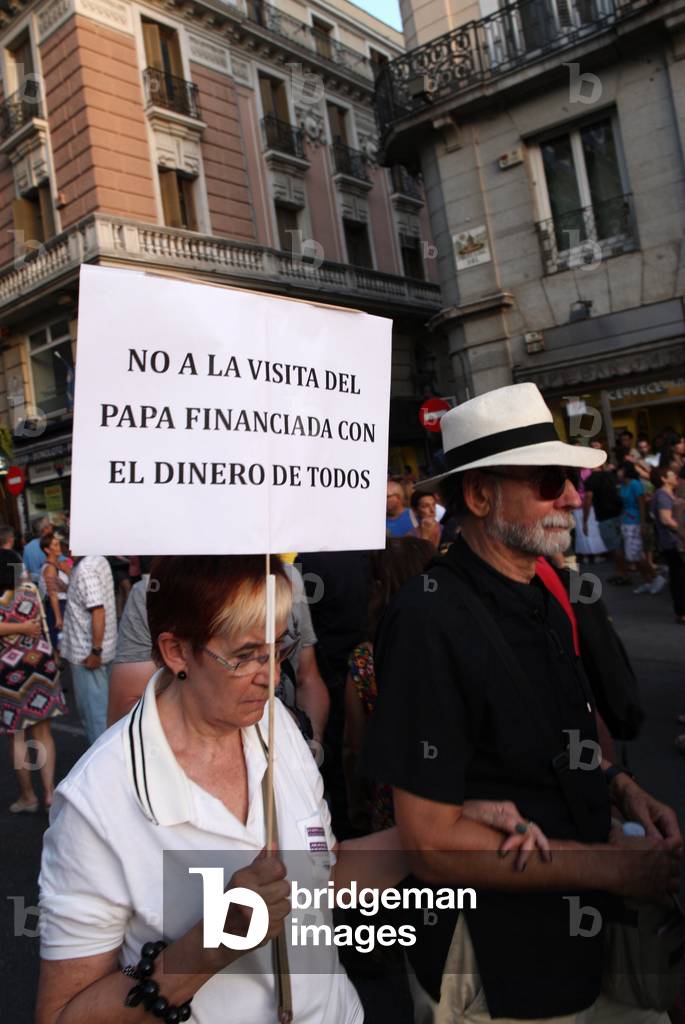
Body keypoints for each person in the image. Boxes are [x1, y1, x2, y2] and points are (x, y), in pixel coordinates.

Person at [364, 382, 682, 1024]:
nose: (572, 496)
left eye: (570, 477)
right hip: (504, 964)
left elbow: (553, 734)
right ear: (479, 496)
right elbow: (429, 842)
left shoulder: (540, 585)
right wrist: (616, 870)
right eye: (547, 480)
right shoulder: (428, 617)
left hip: (589, 941)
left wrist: (622, 788)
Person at [36, 555, 411, 1024]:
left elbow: (322, 875)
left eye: (279, 649)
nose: (271, 676)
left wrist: (432, 838)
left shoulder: (279, 728)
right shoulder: (97, 802)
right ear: (175, 652)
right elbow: (62, 1016)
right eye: (245, 655)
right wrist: (212, 943)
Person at [0, 597, 66, 813]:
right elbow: (39, 622)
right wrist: (26, 628)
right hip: (39, 661)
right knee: (43, 733)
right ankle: (49, 793)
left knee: (18, 736)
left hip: (8, 668)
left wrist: (20, 628)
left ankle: (29, 797)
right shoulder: (27, 587)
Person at [60, 555, 117, 743]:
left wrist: (95, 651)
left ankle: (103, 766)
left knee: (95, 717)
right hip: (101, 649)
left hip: (87, 654)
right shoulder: (99, 560)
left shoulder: (86, 568)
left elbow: (98, 611)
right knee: (105, 712)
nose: (66, 548)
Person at [617, 461, 662, 594]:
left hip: (634, 521)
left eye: (621, 469)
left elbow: (642, 504)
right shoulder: (623, 485)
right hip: (625, 521)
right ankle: (648, 581)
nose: (618, 472)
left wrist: (642, 523)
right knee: (632, 555)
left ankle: (655, 577)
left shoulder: (635, 484)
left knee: (635, 554)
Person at [583, 460, 628, 583]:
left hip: (605, 517)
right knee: (620, 544)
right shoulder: (611, 475)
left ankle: (622, 573)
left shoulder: (590, 480)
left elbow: (588, 500)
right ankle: (623, 570)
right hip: (619, 514)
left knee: (614, 547)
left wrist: (585, 521)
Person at [652, 466, 685, 623]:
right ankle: (681, 612)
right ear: (664, 478)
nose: (675, 477)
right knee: (678, 577)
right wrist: (682, 531)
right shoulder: (662, 495)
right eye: (672, 475)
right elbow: (666, 519)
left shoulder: (670, 494)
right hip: (673, 543)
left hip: (677, 541)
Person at [39, 532, 71, 648]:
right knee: (59, 639)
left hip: (65, 604)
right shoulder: (50, 568)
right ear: (47, 550)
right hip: (57, 606)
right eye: (55, 545)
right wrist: (58, 617)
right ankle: (57, 661)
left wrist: (66, 571)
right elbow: (52, 594)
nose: (59, 547)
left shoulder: (61, 564)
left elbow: (72, 586)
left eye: (59, 544)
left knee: (65, 639)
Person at [22, 515, 51, 583]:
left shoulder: (27, 547)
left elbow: (25, 571)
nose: (51, 527)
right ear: (45, 529)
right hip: (49, 585)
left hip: (36, 585)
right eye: (49, 525)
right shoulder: (51, 544)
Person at [0, 523, 23, 592]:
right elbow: (19, 581)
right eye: (13, 537)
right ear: (10, 539)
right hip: (10, 596)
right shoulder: (14, 556)